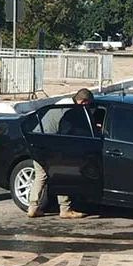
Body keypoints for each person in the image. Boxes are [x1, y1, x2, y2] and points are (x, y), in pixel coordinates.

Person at [28, 88, 94, 219]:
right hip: (51, 146)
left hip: (37, 143)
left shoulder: (61, 103)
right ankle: (65, 209)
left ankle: (33, 208)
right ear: (83, 102)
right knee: (62, 173)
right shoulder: (68, 110)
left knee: (41, 176)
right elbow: (66, 131)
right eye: (88, 104)